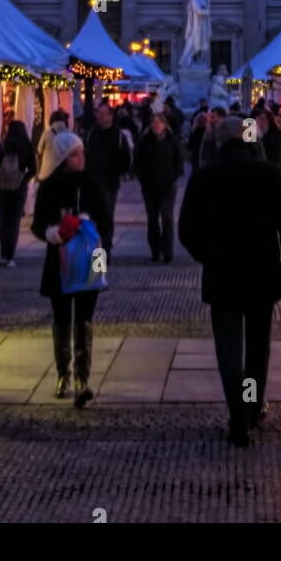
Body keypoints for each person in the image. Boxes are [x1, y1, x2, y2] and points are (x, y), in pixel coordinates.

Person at [178, 115, 281, 447]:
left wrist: (209, 255)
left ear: (218, 141)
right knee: (257, 350)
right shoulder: (269, 174)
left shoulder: (205, 177)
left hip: (223, 276)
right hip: (262, 275)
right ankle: (252, 404)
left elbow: (187, 230)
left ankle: (237, 416)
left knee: (229, 349)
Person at [31, 131, 109, 406]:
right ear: (63, 157)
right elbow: (38, 225)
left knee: (84, 320)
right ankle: (63, 374)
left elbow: (106, 225)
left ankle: (83, 378)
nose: (81, 158)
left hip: (89, 260)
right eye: (75, 154)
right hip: (59, 262)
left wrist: (100, 257)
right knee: (62, 318)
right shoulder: (50, 187)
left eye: (82, 153)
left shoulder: (92, 184)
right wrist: (54, 233)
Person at [133, 112, 184, 263]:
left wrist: (173, 176)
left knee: (167, 217)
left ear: (164, 124)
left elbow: (179, 161)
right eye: (153, 122)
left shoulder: (172, 141)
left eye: (159, 122)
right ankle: (155, 251)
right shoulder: (144, 141)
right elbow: (137, 162)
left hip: (168, 185)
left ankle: (168, 252)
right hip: (149, 186)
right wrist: (142, 178)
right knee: (153, 219)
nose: (156, 125)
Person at [84, 102, 131, 256]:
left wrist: (118, 172)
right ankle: (96, 250)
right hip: (92, 183)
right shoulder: (91, 134)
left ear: (110, 116)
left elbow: (126, 159)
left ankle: (105, 251)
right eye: (99, 113)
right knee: (93, 219)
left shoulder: (118, 135)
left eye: (103, 114)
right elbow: (85, 155)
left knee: (106, 217)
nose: (100, 116)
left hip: (110, 183)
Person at [0, 120, 36, 266]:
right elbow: (33, 168)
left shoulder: (4, 143)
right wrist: (23, 178)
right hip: (19, 188)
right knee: (14, 221)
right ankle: (10, 257)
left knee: (4, 221)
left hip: (3, 187)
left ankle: (3, 254)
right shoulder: (27, 144)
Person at [36, 109, 69, 180]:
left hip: (47, 173)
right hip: (63, 174)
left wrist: (38, 173)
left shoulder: (46, 133)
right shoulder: (69, 134)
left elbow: (39, 151)